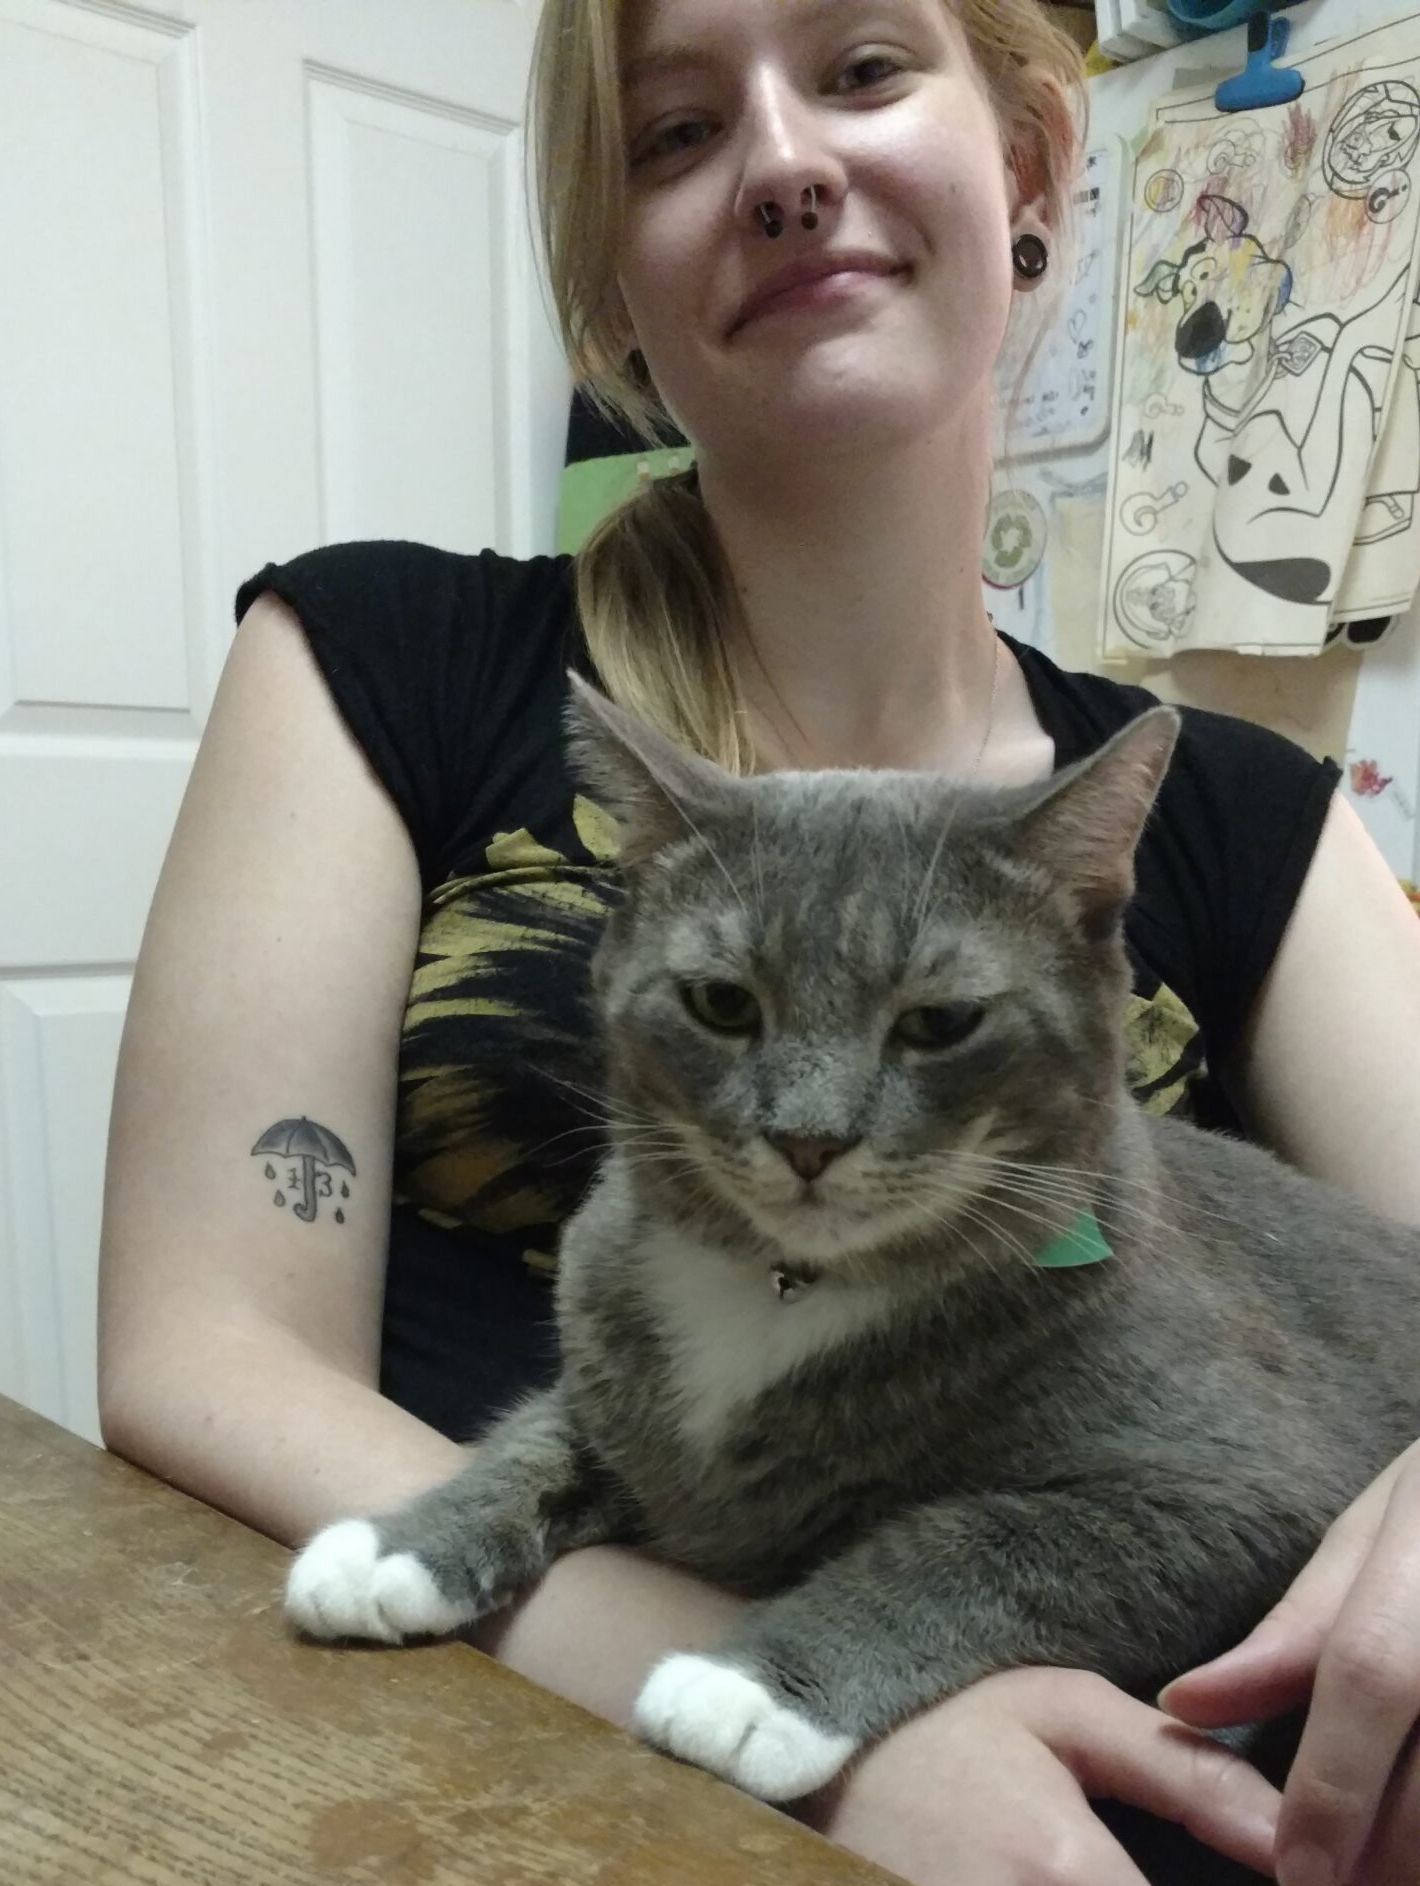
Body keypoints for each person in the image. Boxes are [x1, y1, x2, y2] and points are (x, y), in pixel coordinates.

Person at [96, 0, 1420, 1881]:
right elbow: (193, 1350)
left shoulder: (1234, 810)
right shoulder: (385, 658)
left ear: (1032, 166)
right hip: (439, 1782)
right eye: (676, 132)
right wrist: (784, 1712)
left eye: (865, 69)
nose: (786, 166)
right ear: (609, 284)